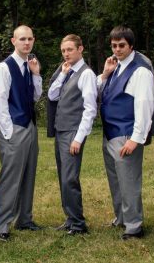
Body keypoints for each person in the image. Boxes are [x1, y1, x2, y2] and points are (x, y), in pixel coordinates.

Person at [98, 26, 154, 240]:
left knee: (129, 181)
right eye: (114, 46)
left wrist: (135, 138)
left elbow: (144, 105)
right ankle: (121, 217)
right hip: (110, 133)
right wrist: (105, 74)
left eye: (122, 45)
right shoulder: (116, 68)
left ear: (131, 45)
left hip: (126, 134)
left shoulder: (139, 71)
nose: (117, 49)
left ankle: (134, 225)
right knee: (116, 180)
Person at [0, 25, 43, 242]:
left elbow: (36, 97)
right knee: (11, 178)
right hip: (14, 127)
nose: (26, 42)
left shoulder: (29, 65)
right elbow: (1, 102)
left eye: (30, 39)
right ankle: (2, 225)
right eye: (22, 39)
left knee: (28, 175)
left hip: (30, 126)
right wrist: (8, 132)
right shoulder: (4, 67)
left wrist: (36, 74)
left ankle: (24, 219)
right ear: (14, 41)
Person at [46, 34, 97, 236]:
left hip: (73, 132)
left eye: (70, 50)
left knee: (69, 179)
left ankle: (78, 223)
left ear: (80, 49)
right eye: (63, 51)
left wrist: (78, 138)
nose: (66, 54)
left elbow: (90, 109)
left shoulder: (86, 74)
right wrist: (62, 74)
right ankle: (70, 218)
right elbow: (51, 95)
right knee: (63, 176)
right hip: (61, 131)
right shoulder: (66, 71)